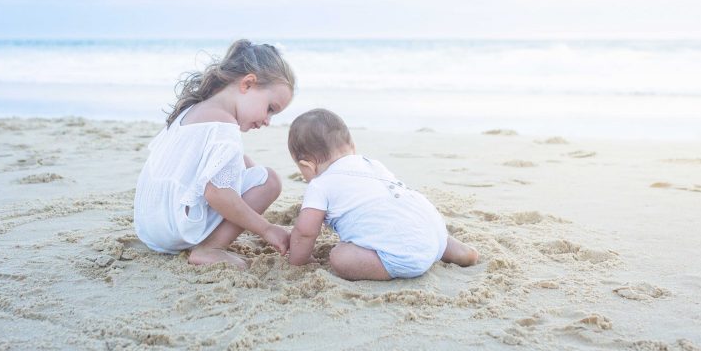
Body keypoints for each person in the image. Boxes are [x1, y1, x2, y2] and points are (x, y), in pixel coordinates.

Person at [134, 40, 294, 269]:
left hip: (151, 227)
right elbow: (217, 193)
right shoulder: (225, 128)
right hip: (178, 228)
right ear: (248, 84)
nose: (268, 121)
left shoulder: (192, 110)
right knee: (269, 181)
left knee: (244, 165)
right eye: (270, 108)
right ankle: (211, 249)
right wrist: (265, 228)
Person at [287, 108, 479, 280]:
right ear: (352, 146)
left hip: (403, 257)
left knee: (339, 256)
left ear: (307, 166)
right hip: (433, 230)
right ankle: (460, 252)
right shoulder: (373, 164)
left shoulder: (320, 184)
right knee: (409, 224)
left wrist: (299, 260)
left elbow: (305, 232)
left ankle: (415, 259)